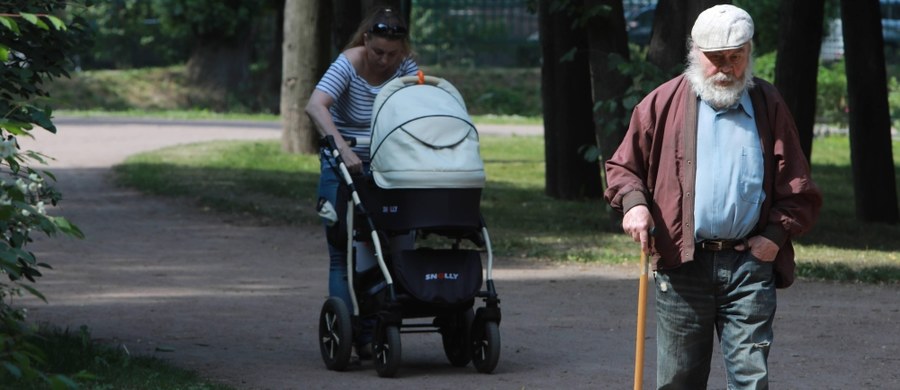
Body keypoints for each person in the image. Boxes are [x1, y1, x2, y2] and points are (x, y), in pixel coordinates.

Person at [604, 4, 822, 389]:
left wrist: (773, 239)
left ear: (749, 53)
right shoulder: (661, 103)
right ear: (694, 53)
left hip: (749, 265)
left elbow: (797, 185)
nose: (726, 68)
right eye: (715, 59)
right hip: (683, 263)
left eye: (735, 58)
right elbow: (623, 167)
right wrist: (635, 205)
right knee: (678, 380)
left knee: (750, 380)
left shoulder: (768, 104)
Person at [305, 7, 418, 357]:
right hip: (343, 164)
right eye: (378, 52)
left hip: (387, 166)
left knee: (387, 246)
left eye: (392, 54)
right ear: (366, 40)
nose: (385, 61)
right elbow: (316, 105)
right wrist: (342, 149)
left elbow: (421, 105)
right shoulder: (350, 63)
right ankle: (348, 331)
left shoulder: (405, 65)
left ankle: (374, 330)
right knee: (344, 252)